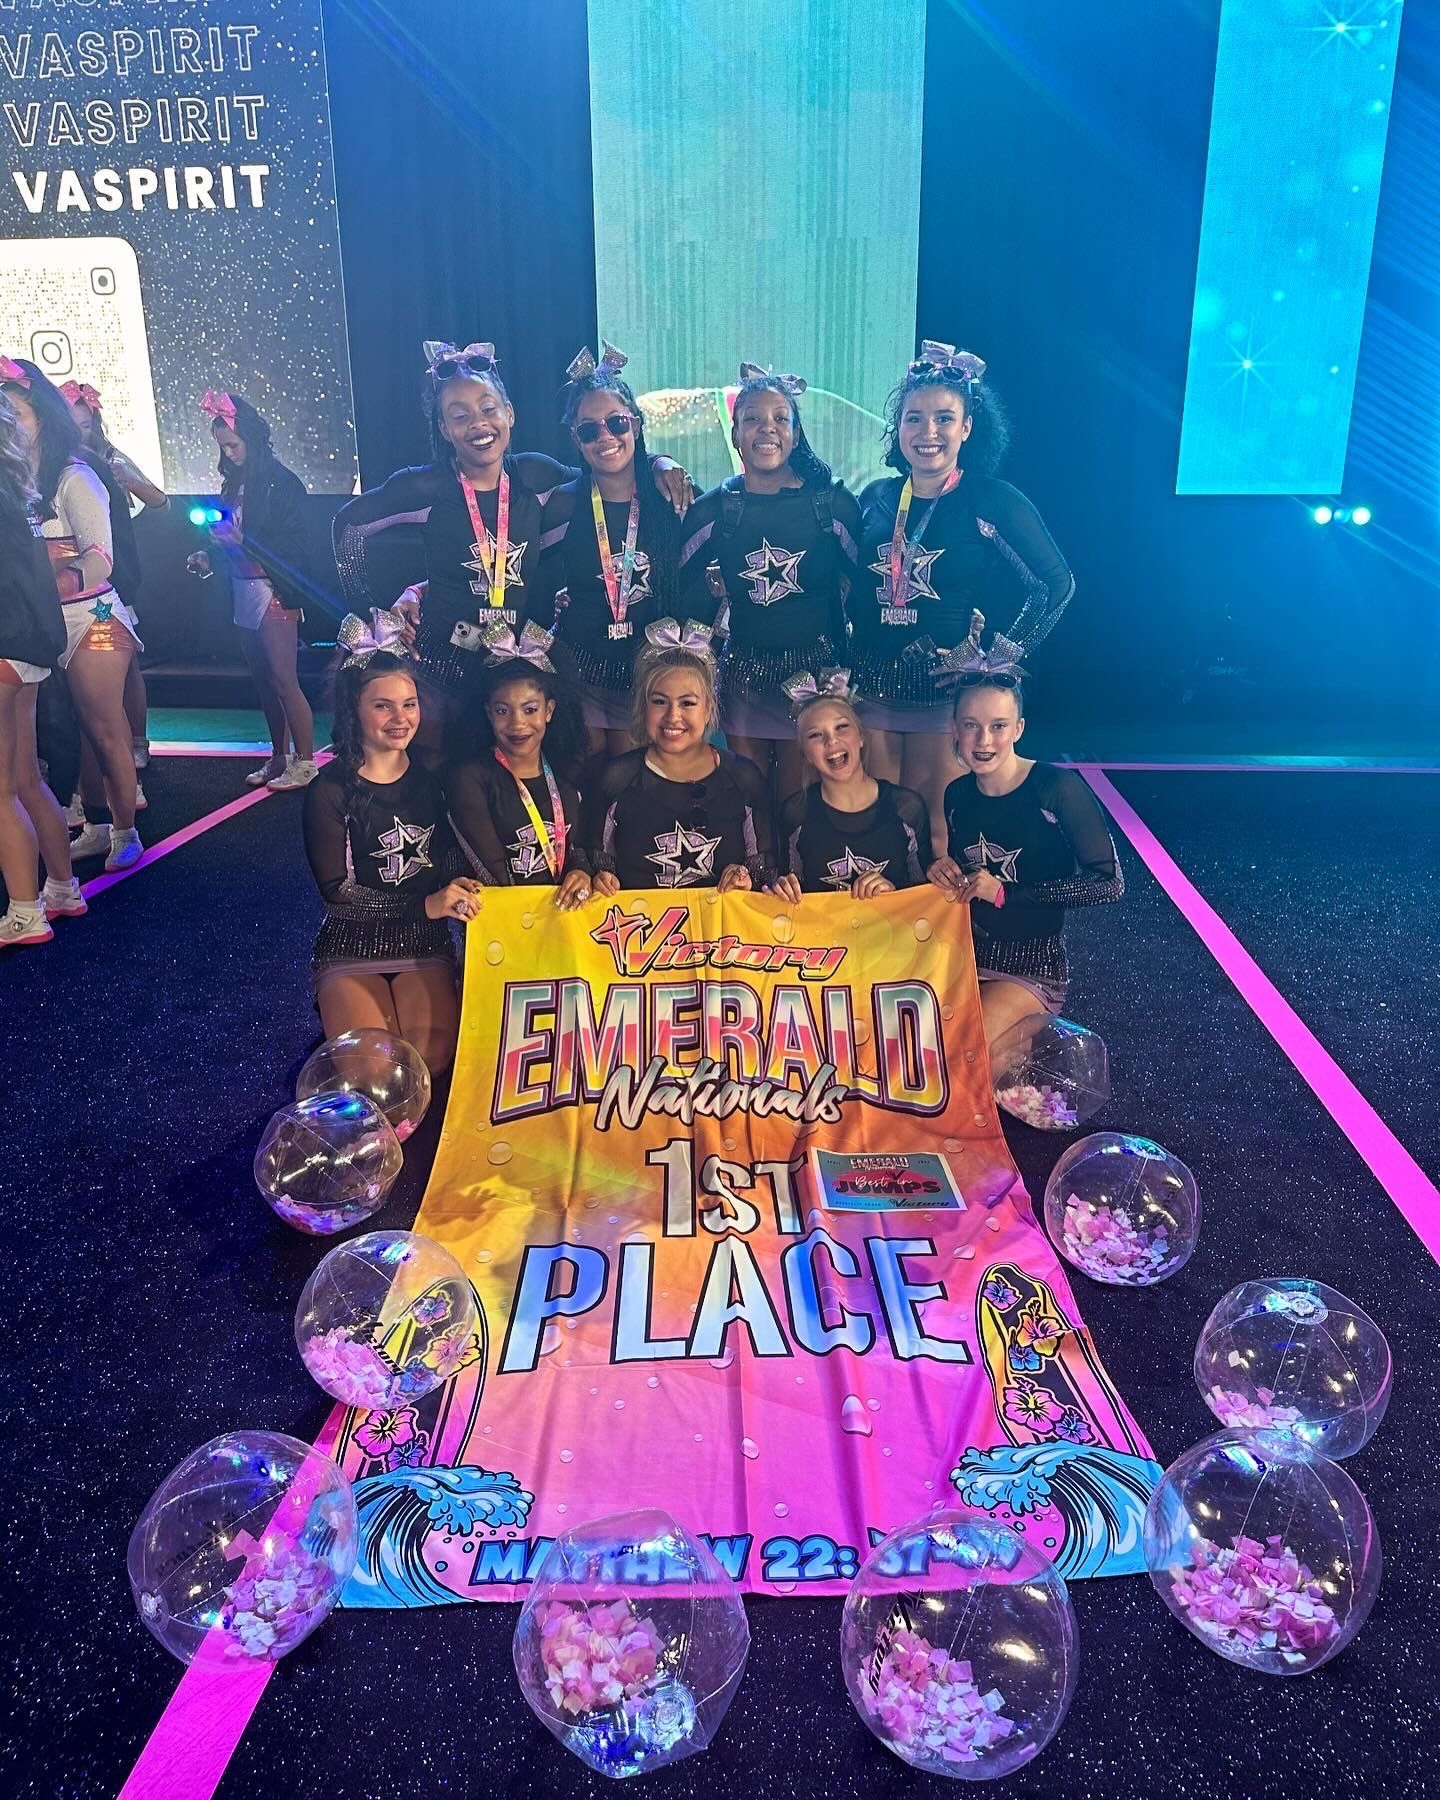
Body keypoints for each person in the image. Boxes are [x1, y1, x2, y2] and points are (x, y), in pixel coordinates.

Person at [333, 341, 692, 731]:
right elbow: (348, 527)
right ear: (443, 428)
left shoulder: (535, 477)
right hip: (439, 669)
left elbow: (608, 474)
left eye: (488, 409)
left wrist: (658, 462)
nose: (478, 424)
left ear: (509, 414)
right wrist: (375, 614)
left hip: (510, 665)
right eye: (459, 415)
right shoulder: (426, 487)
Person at [852, 342, 1074, 844]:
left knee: (937, 828)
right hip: (871, 692)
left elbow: (1056, 584)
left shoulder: (992, 499)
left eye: (944, 418)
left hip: (944, 700)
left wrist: (997, 655)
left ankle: (940, 925)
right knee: (880, 828)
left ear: (968, 428)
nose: (928, 432)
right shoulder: (876, 497)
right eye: (914, 418)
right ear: (899, 428)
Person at [302, 611, 481, 1075]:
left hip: (423, 944)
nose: (400, 718)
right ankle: (339, 1013)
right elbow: (336, 891)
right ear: (353, 710)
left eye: (410, 703)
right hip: (352, 945)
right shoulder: (330, 789)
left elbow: (443, 853)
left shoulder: (434, 776)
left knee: (430, 1064)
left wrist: (457, 878)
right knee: (377, 1074)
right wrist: (425, 905)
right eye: (383, 705)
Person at [679, 365, 859, 798]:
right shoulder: (713, 509)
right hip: (745, 677)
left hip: (816, 679)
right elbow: (682, 593)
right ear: (736, 434)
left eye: (781, 418)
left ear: (796, 434)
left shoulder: (832, 503)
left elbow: (866, 589)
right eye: (753, 419)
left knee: (803, 797)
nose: (768, 428)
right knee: (751, 796)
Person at [928, 654, 1122, 1045]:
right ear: (954, 728)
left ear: (1018, 728)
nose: (984, 741)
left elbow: (1109, 883)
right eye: (971, 726)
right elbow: (968, 881)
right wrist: (942, 873)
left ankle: (1031, 1046)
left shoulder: (1055, 788)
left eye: (998, 726)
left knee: (967, 1050)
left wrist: (1006, 893)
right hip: (968, 959)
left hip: (1034, 968)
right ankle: (1016, 1053)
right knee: (928, 1044)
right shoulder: (956, 795)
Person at [0, 356, 142, 871]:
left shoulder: (75, 476)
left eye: (16, 414)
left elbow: (101, 555)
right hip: (38, 623)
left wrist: (53, 584)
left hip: (91, 618)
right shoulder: (14, 479)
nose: (9, 425)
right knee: (65, 730)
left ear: (41, 414)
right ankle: (96, 822)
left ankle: (127, 830)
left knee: (104, 725)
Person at [531, 343, 682, 756]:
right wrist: (421, 590)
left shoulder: (673, 496)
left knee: (640, 793)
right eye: (589, 429)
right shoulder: (560, 503)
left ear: (636, 424)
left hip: (652, 680)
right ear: (575, 439)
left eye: (616, 423)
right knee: (588, 791)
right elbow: (514, 569)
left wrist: (660, 462)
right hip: (582, 676)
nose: (605, 437)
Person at [570, 619, 773, 901]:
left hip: (720, 939)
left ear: (708, 708)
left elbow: (769, 874)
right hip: (642, 938)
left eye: (687, 703)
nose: (673, 716)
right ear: (643, 705)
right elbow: (591, 861)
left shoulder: (743, 777)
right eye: (660, 701)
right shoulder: (617, 778)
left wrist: (746, 880)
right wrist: (596, 880)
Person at [186, 391, 317, 791]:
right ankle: (278, 757)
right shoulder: (234, 483)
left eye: (233, 445)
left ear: (252, 438)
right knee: (263, 679)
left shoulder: (281, 483)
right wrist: (210, 553)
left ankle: (306, 761)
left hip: (273, 589)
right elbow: (232, 538)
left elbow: (293, 547)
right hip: (242, 587)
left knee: (283, 678)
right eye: (223, 447)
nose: (228, 453)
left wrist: (241, 541)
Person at [0, 390, 85, 946]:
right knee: (25, 778)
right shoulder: (15, 489)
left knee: (2, 789)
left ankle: (25, 911)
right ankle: (60, 888)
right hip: (28, 647)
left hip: (5, 643)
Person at [65, 378, 167, 777]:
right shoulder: (53, 465)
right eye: (71, 425)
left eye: (84, 425)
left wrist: (128, 479)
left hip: (115, 572)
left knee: (126, 669)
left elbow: (160, 502)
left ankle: (137, 744)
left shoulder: (109, 459)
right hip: (76, 583)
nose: (78, 433)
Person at [767, 671, 932, 901]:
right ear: (804, 754)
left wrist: (893, 897)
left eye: (842, 727)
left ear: (861, 737)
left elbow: (927, 901)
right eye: (815, 735)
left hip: (890, 933)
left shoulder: (906, 808)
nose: (831, 741)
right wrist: (781, 889)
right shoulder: (796, 813)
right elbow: (791, 900)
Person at [446, 622, 588, 887]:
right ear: (488, 712)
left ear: (549, 710)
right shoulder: (471, 778)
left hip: (563, 915)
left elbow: (577, 848)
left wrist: (580, 873)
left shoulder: (565, 768)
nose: (517, 724)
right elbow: (493, 872)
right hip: (506, 917)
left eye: (530, 709)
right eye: (503, 711)